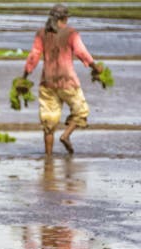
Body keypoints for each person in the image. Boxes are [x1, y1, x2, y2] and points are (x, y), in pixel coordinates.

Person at [22, 3, 103, 155]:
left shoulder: (41, 33)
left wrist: (25, 76)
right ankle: (66, 135)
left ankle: (48, 158)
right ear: (65, 18)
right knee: (81, 111)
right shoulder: (71, 33)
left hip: (48, 82)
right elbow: (81, 52)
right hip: (68, 81)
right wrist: (94, 66)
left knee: (49, 122)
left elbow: (33, 56)